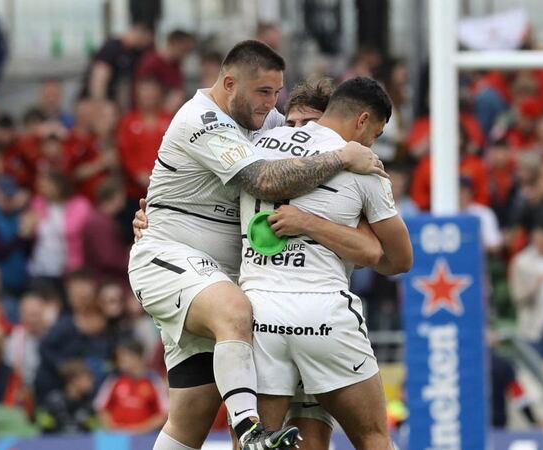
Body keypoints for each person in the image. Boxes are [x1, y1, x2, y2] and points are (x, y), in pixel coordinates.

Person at [127, 40, 383, 450]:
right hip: (178, 263)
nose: (273, 105)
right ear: (229, 83)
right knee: (235, 312)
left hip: (241, 286)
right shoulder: (203, 120)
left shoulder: (273, 127)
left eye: (277, 94)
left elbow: (382, 251)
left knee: (190, 418)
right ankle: (250, 430)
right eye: (264, 92)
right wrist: (340, 159)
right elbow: (264, 180)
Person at [240, 77, 412, 450]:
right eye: (376, 134)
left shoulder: (255, 145)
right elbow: (400, 259)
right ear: (363, 120)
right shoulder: (361, 164)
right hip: (322, 313)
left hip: (257, 314)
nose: (371, 144)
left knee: (255, 442)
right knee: (373, 438)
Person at [95, 340, 168, 432]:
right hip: (117, 438)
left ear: (137, 358)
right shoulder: (114, 380)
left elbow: (164, 413)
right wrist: (114, 429)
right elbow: (101, 408)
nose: (120, 361)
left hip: (145, 439)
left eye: (124, 357)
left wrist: (140, 430)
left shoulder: (155, 381)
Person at [80, 22, 154, 106]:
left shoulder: (135, 54)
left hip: (118, 103)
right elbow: (99, 77)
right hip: (97, 101)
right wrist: (99, 104)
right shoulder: (113, 47)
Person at [135, 30, 196, 113]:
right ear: (174, 44)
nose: (186, 54)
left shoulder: (176, 65)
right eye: (185, 49)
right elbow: (142, 90)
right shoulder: (152, 62)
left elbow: (178, 89)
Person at [39, 359, 97, 433]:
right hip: (56, 443)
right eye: (87, 379)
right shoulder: (53, 401)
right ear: (73, 380)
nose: (92, 383)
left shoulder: (89, 404)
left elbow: (91, 431)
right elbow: (44, 431)